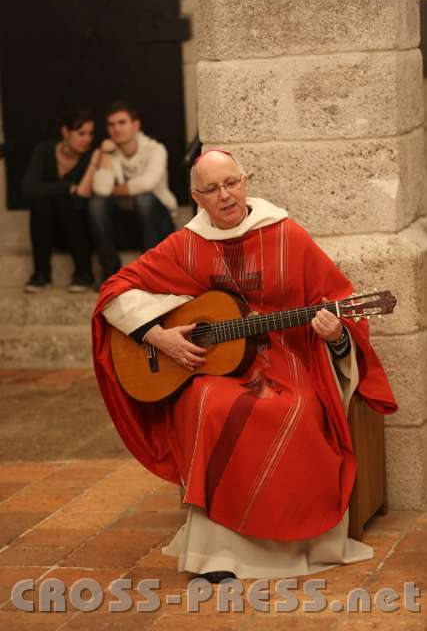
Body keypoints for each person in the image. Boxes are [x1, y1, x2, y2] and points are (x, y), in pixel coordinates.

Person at [92, 149, 397, 583]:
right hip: (219, 368)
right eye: (212, 189)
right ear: (197, 197)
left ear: (246, 182)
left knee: (290, 410)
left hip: (290, 360)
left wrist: (334, 334)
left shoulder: (287, 236)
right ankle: (216, 552)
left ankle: (288, 543)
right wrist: (156, 336)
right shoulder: (187, 245)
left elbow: (341, 303)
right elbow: (114, 291)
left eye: (231, 183)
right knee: (201, 402)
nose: (225, 196)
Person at [89, 100, 177, 284]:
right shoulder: (110, 153)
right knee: (96, 203)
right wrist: (104, 154)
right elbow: (101, 190)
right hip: (128, 226)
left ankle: (151, 273)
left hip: (159, 225)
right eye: (111, 125)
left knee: (143, 199)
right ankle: (110, 272)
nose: (116, 129)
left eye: (122, 122)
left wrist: (116, 190)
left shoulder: (155, 149)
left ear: (135, 125)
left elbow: (147, 183)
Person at [22, 107, 98, 293]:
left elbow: (81, 200)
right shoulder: (45, 150)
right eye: (81, 133)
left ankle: (84, 273)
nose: (87, 139)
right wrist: (65, 186)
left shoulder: (90, 157)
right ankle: (41, 274)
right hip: (48, 232)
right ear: (65, 132)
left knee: (66, 201)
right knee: (41, 202)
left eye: (90, 134)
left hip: (80, 231)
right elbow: (28, 188)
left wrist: (67, 190)